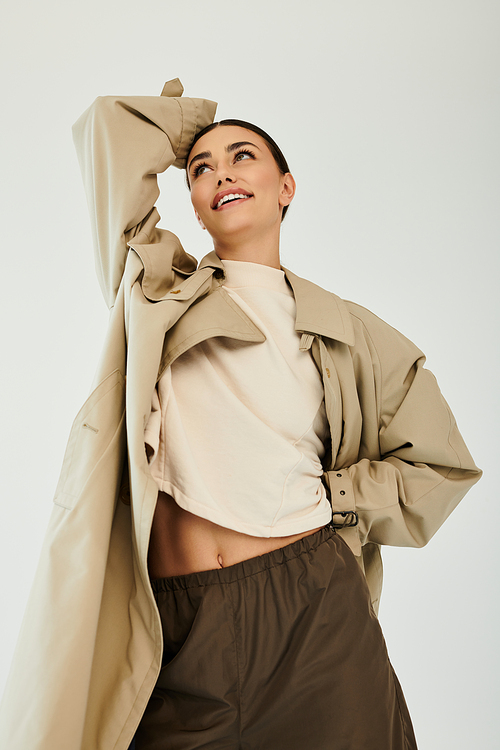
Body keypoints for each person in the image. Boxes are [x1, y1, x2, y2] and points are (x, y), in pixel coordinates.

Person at [0, 79, 482, 750]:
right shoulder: (156, 287)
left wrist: (336, 494)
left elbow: (441, 464)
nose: (221, 172)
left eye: (244, 156)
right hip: (177, 625)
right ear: (193, 203)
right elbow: (112, 125)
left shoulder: (353, 334)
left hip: (313, 615)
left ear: (287, 186)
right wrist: (194, 125)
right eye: (202, 169)